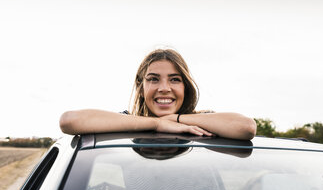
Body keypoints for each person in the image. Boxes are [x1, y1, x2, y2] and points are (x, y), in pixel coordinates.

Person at [59, 48, 256, 140]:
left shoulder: (199, 121)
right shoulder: (126, 122)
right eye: (153, 79)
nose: (164, 88)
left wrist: (177, 119)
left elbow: (246, 128)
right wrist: (157, 123)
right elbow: (70, 120)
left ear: (185, 86)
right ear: (140, 86)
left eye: (174, 79)